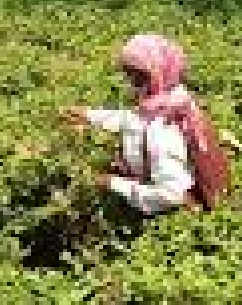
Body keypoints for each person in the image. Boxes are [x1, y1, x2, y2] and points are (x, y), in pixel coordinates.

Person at [60, 34, 229, 215]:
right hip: (152, 185)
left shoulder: (164, 132)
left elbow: (171, 196)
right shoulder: (170, 99)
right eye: (128, 74)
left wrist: (112, 183)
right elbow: (134, 121)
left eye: (137, 76)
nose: (130, 83)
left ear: (156, 74)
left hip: (172, 212)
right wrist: (88, 115)